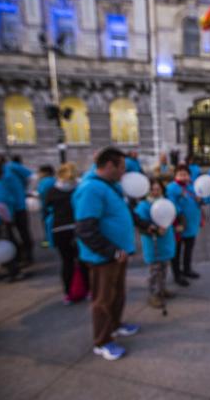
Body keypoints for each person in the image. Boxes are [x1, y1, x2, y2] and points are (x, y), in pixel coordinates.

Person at [73, 147, 139, 361]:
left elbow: (124, 214)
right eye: (122, 167)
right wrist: (111, 251)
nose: (124, 172)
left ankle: (116, 325)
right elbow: (85, 229)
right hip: (104, 258)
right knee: (103, 300)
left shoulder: (110, 186)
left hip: (117, 255)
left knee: (117, 294)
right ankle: (102, 342)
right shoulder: (91, 188)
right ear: (109, 165)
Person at [45, 162, 89, 305]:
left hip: (59, 229)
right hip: (77, 227)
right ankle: (88, 290)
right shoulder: (80, 188)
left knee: (66, 262)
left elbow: (46, 210)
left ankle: (68, 293)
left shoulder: (52, 190)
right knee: (82, 260)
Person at [134, 179, 176, 309]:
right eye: (153, 189)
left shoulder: (166, 202)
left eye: (158, 189)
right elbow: (141, 226)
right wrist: (155, 230)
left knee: (164, 268)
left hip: (165, 241)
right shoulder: (143, 206)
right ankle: (153, 294)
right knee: (155, 271)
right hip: (153, 243)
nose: (156, 191)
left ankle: (162, 289)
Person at [166, 165, 202, 286]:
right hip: (179, 226)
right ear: (175, 175)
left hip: (192, 225)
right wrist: (180, 214)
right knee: (176, 251)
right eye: (180, 174)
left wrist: (199, 200)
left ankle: (187, 269)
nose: (183, 176)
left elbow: (202, 200)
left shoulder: (192, 186)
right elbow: (171, 205)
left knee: (188, 249)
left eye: (185, 174)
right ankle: (177, 275)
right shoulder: (171, 188)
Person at [37, 165, 56, 248]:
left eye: (39, 172)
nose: (38, 174)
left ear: (46, 172)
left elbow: (41, 194)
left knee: (46, 226)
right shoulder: (55, 180)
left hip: (46, 207)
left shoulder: (44, 182)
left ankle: (47, 243)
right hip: (55, 207)